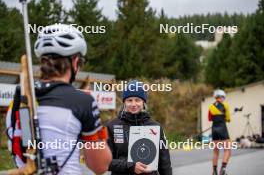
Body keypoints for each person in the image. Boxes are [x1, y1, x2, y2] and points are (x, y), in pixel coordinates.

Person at [7, 24, 112, 174]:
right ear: (75, 62)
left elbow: (16, 148)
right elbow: (100, 166)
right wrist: (96, 127)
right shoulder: (82, 101)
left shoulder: (19, 99)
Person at [107, 80, 172, 175]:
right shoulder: (112, 126)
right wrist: (130, 166)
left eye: (137, 100)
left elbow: (165, 163)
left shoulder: (155, 127)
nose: (133, 104)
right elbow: (106, 162)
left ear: (143, 102)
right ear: (124, 102)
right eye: (129, 100)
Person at [208, 89, 231, 175]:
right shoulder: (225, 105)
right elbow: (228, 118)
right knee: (227, 150)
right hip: (222, 128)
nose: (223, 99)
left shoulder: (211, 106)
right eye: (223, 97)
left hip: (214, 129)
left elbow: (210, 119)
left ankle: (214, 172)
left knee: (215, 151)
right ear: (221, 97)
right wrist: (225, 117)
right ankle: (223, 170)